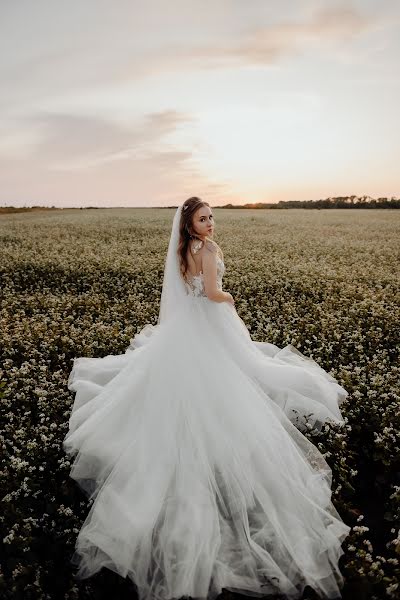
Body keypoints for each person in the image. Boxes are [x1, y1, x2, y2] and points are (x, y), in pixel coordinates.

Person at [63, 196, 351, 600]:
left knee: (186, 387)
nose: (211, 223)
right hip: (208, 323)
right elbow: (213, 292)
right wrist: (230, 300)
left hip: (186, 329)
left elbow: (188, 290)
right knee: (233, 381)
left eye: (212, 217)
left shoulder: (185, 250)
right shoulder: (210, 249)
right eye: (204, 218)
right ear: (191, 223)